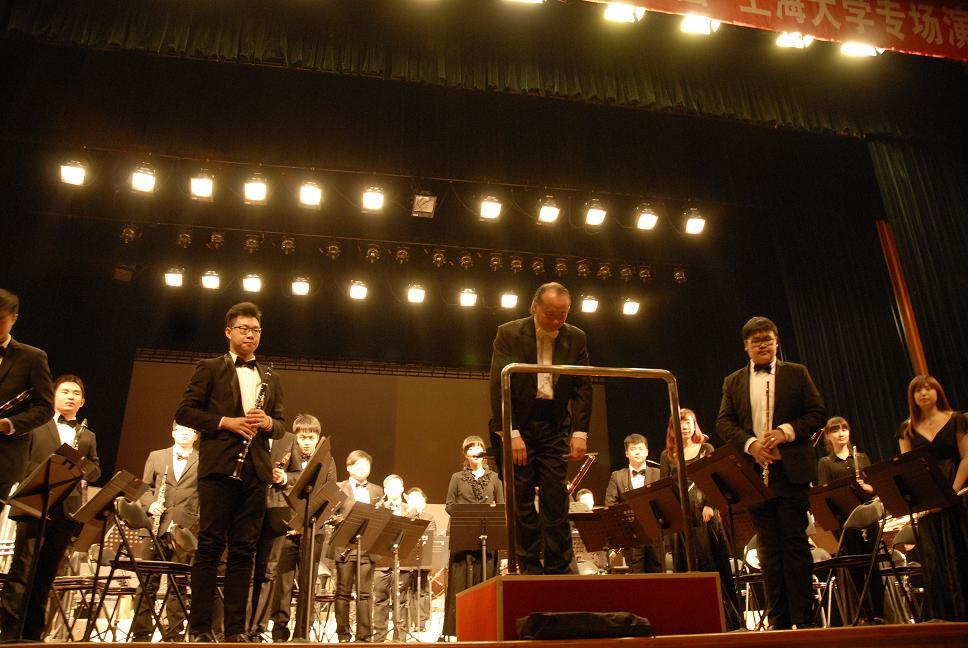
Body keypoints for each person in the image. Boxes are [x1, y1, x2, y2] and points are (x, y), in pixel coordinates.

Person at [175, 301, 286, 642]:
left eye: (256, 330)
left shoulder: (271, 377)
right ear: (228, 331)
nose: (251, 335)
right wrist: (226, 422)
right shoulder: (209, 368)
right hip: (219, 469)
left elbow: (281, 424)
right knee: (210, 546)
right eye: (244, 329)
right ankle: (200, 629)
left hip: (255, 471)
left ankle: (235, 631)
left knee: (244, 550)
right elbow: (185, 412)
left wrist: (268, 423)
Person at [716, 316, 825, 630]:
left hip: (791, 472)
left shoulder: (797, 373)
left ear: (777, 341)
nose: (763, 345)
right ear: (746, 346)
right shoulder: (733, 381)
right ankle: (778, 622)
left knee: (795, 546)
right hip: (755, 473)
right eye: (756, 341)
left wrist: (785, 432)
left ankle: (804, 621)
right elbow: (724, 422)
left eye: (768, 339)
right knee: (768, 550)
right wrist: (751, 444)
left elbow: (817, 413)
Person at [488, 282, 591, 575]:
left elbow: (582, 387)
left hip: (554, 424)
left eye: (563, 314)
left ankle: (559, 569)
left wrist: (580, 432)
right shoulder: (508, 333)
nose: (557, 321)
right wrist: (512, 433)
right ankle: (530, 568)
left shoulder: (576, 337)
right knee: (521, 500)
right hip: (519, 423)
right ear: (535, 307)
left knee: (556, 498)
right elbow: (498, 386)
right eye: (550, 314)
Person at [0, 374, 99, 641]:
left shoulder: (87, 436)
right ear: (53, 396)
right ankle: (9, 634)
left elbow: (95, 470)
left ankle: (33, 636)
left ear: (83, 401)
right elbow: (19, 459)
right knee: (22, 571)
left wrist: (81, 467)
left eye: (76, 393)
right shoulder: (36, 425)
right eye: (65, 391)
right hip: (33, 503)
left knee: (45, 576)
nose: (70, 396)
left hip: (66, 511)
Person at [896, 375, 968, 621]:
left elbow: (966, 458)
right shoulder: (906, 429)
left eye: (928, 388)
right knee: (935, 564)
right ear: (912, 397)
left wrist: (950, 493)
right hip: (928, 504)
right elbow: (907, 467)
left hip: (957, 498)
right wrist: (929, 499)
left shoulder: (957, 420)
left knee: (961, 555)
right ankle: (944, 621)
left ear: (938, 391)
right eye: (918, 390)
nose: (923, 393)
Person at [659, 409, 740, 628]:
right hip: (682, 519)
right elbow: (665, 488)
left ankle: (725, 620)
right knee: (685, 568)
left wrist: (710, 504)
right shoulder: (667, 455)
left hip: (705, 515)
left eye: (688, 422)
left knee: (711, 564)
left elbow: (714, 478)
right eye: (680, 423)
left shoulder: (706, 449)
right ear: (672, 429)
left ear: (694, 424)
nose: (685, 427)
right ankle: (692, 621)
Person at [265, 415, 337, 642]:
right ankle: (279, 631)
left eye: (311, 437)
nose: (306, 442)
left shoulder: (327, 459)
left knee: (308, 582)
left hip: (312, 529)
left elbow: (329, 492)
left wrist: (305, 525)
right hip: (286, 528)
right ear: (295, 437)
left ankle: (302, 631)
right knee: (283, 583)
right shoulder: (286, 454)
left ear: (318, 438)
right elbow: (278, 492)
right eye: (302, 437)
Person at [130, 422, 200, 642]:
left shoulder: (203, 460)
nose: (184, 433)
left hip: (185, 528)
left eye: (190, 430)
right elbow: (144, 488)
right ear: (172, 432)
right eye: (180, 429)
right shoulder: (156, 456)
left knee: (178, 584)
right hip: (155, 526)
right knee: (147, 582)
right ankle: (141, 633)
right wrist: (150, 505)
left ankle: (174, 633)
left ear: (196, 436)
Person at [816, 416, 882, 625]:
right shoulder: (826, 463)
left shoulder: (861, 458)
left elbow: (875, 488)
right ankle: (862, 616)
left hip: (868, 518)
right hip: (845, 522)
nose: (841, 433)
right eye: (835, 430)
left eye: (844, 429)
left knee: (873, 567)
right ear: (828, 436)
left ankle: (879, 615)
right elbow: (825, 493)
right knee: (855, 569)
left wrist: (866, 487)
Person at [441, 436, 504, 639]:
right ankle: (460, 629)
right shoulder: (457, 477)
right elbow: (449, 505)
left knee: (486, 578)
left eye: (478, 447)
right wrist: (467, 515)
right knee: (461, 581)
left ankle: (486, 628)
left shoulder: (495, 478)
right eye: (470, 448)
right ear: (465, 454)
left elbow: (501, 506)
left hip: (488, 536)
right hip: (463, 536)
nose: (475, 451)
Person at [0, 288, 53, 503]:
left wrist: (7, 424)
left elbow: (45, 408)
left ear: (14, 318)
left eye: (0, 319)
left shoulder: (32, 357)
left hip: (3, 459)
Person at [248, 429, 296, 641]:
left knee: (268, 571)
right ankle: (237, 627)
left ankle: (257, 629)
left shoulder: (288, 439)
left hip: (276, 512)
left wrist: (284, 477)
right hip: (247, 508)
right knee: (244, 568)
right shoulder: (244, 431)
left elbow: (298, 474)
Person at [333, 450, 384, 643]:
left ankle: (364, 635)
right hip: (344, 546)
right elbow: (330, 513)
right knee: (343, 592)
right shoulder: (339, 487)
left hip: (367, 547)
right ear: (348, 467)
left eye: (366, 464)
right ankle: (343, 634)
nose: (363, 468)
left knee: (365, 593)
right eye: (358, 464)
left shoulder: (377, 490)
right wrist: (345, 521)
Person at [604, 433, 661, 573]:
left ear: (647, 452)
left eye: (641, 448)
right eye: (633, 449)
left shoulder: (659, 473)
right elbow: (610, 505)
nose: (637, 452)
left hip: (656, 534)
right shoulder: (617, 476)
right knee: (635, 576)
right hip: (631, 536)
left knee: (658, 575)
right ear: (626, 454)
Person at [372, 474, 410, 642]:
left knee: (401, 600)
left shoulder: (410, 509)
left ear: (402, 489)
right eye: (390, 486)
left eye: (397, 486)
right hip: (381, 561)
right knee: (380, 599)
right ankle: (379, 637)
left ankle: (400, 637)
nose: (394, 489)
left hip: (403, 560)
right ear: (385, 490)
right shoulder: (378, 508)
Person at [402, 487, 435, 635]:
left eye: (418, 498)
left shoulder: (429, 517)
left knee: (421, 591)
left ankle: (421, 622)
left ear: (423, 501)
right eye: (412, 498)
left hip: (422, 559)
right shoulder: (404, 514)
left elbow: (430, 534)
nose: (414, 501)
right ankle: (407, 621)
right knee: (406, 591)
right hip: (405, 559)